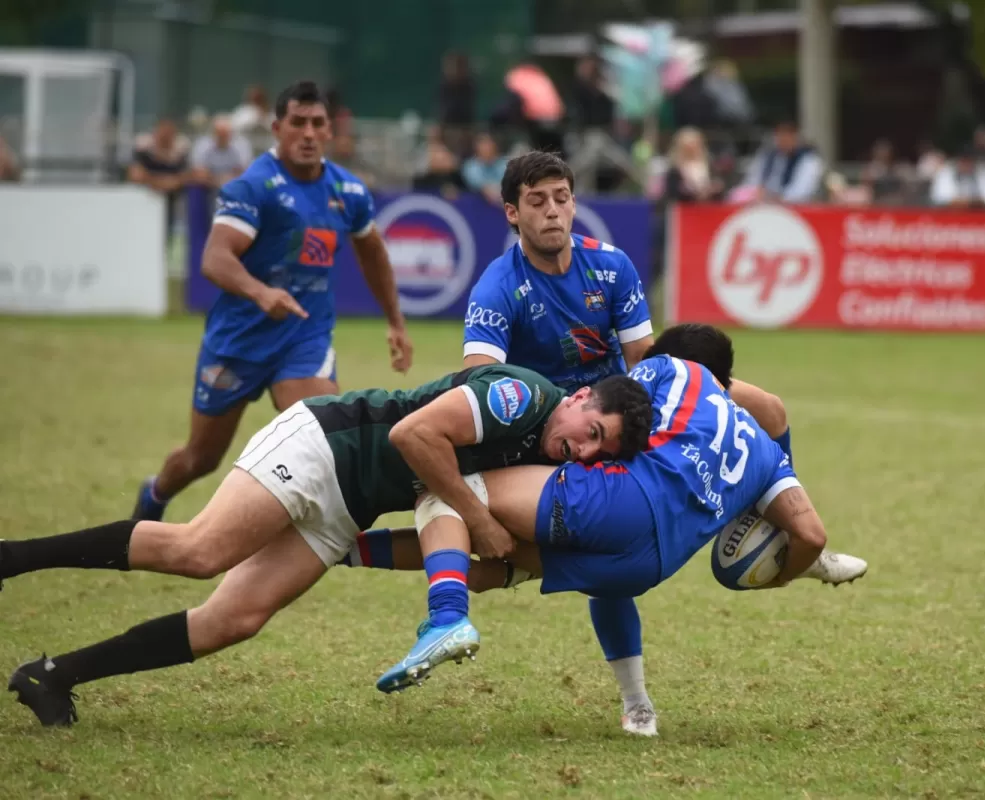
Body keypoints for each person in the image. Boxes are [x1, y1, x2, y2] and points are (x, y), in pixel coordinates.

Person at [343, 152, 793, 738]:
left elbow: (646, 362)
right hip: (548, 436)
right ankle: (364, 561)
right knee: (502, 553)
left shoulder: (611, 266)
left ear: (575, 203)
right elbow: (479, 379)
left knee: (767, 408)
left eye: (561, 198)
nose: (553, 211)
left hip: (616, 425)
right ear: (512, 213)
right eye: (537, 201)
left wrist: (706, 400)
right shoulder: (497, 286)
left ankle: (781, 517)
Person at [1, 365, 652, 727]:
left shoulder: (544, 459)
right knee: (199, 551)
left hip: (348, 505)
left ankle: (53, 676)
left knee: (234, 619)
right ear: (579, 398)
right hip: (325, 445)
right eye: (591, 431)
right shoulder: (523, 398)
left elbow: (443, 523)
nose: (583, 450)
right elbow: (413, 436)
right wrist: (479, 520)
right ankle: (11, 557)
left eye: (598, 453)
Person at [375, 329, 867, 695]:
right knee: (502, 563)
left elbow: (620, 408)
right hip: (650, 565)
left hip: (621, 503)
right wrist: (783, 575)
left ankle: (446, 617)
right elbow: (811, 535)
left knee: (451, 496)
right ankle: (347, 553)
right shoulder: (763, 451)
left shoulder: (673, 370)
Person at [130, 81, 414, 522]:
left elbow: (372, 252)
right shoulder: (253, 187)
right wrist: (261, 292)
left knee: (324, 440)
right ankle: (155, 494)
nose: (308, 133)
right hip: (238, 341)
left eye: (317, 123)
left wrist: (395, 321)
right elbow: (215, 258)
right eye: (297, 123)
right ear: (277, 128)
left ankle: (303, 539)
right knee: (200, 459)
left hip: (303, 339)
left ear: (329, 131)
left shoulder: (349, 192)